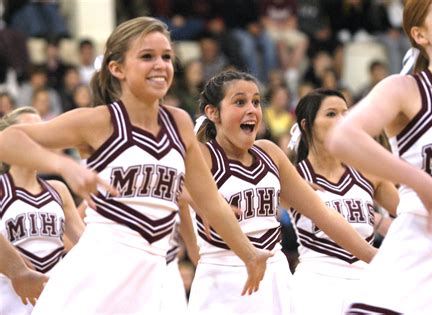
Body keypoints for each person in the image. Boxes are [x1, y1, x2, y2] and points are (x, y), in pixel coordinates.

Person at [0, 17, 272, 314]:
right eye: (147, 56)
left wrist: (250, 254)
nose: (160, 64)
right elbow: (9, 139)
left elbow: (210, 201)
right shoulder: (98, 121)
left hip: (150, 277)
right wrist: (64, 165)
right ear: (117, 69)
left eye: (166, 56)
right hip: (96, 273)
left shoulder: (179, 123)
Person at [188, 71, 378, 314]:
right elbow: (176, 187)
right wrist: (196, 200)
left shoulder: (270, 152)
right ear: (213, 113)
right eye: (239, 102)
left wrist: (376, 257)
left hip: (274, 274)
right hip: (223, 278)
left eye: (256, 102)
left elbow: (324, 215)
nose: (251, 109)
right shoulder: (204, 156)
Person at [325, 1, 432, 313]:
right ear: (420, 34)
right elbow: (342, 137)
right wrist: (417, 179)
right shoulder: (404, 89)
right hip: (421, 244)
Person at [287, 89, 399, 315]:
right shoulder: (293, 177)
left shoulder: (368, 170)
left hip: (367, 278)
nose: (341, 120)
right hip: (315, 282)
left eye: (345, 114)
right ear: (306, 125)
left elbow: (409, 214)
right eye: (331, 114)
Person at [0, 107, 84, 315]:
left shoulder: (59, 190)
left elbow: (86, 245)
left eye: (42, 130)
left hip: (53, 300)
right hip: (8, 300)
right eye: (28, 130)